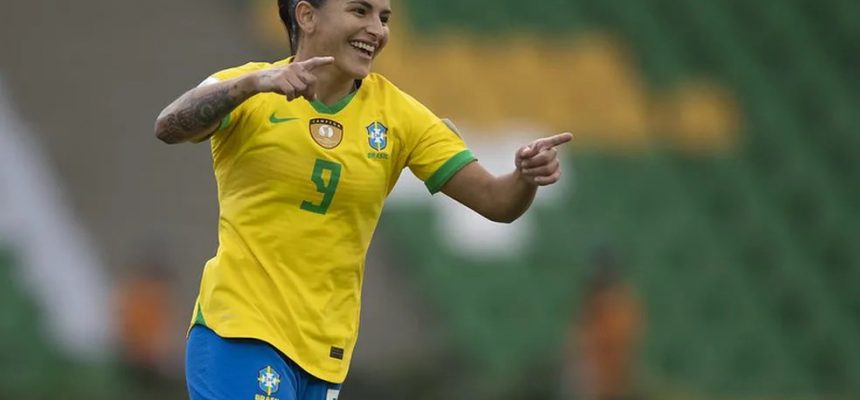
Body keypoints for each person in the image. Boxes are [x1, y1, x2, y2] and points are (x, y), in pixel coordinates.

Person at [154, 0, 572, 399]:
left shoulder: (400, 116)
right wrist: (250, 85)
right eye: (359, 10)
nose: (376, 30)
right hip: (240, 331)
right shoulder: (251, 87)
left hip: (325, 352)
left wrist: (525, 177)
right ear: (307, 16)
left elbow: (496, 202)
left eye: (384, 17)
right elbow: (169, 125)